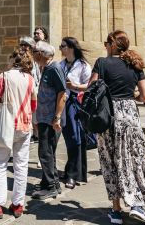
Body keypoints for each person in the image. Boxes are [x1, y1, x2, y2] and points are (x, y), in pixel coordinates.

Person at [88, 31, 145, 225]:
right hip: (129, 113)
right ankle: (137, 204)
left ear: (112, 44)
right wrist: (132, 96)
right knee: (133, 158)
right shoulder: (135, 63)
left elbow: (92, 88)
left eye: (107, 43)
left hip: (108, 114)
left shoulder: (102, 63)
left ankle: (116, 210)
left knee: (110, 160)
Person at [0, 47, 37, 219]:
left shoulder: (4, 76)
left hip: (7, 125)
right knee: (21, 166)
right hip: (25, 125)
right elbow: (34, 103)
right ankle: (17, 204)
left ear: (14, 60)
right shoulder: (30, 79)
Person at [31, 41, 67, 201]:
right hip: (45, 117)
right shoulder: (46, 68)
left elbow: (62, 94)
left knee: (45, 153)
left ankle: (51, 187)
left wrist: (57, 117)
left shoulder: (54, 68)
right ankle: (51, 183)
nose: (33, 55)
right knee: (48, 152)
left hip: (52, 119)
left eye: (35, 52)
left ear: (41, 54)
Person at [58, 36, 92, 189]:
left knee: (75, 138)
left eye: (63, 46)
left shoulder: (83, 65)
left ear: (71, 48)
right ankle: (69, 171)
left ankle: (73, 174)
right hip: (61, 102)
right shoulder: (61, 64)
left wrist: (76, 86)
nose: (61, 48)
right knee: (68, 138)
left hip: (75, 104)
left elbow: (91, 86)